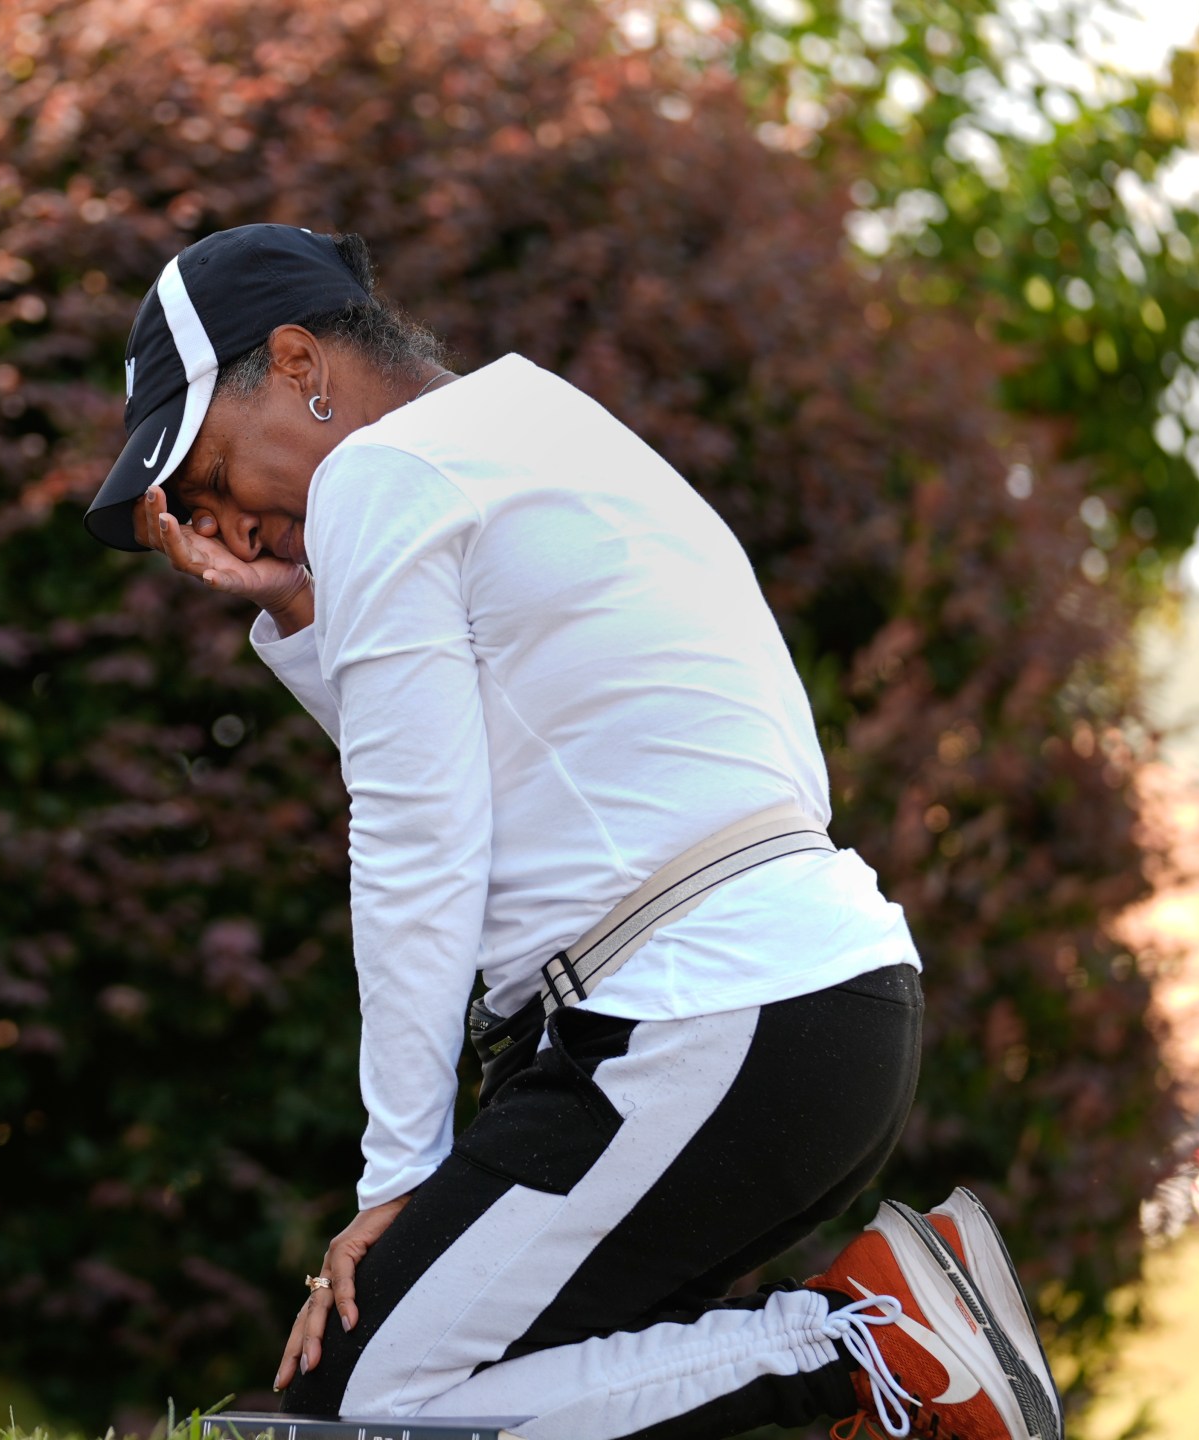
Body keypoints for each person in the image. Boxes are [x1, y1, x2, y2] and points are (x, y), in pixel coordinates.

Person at [81, 224, 1064, 1440]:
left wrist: (401, 1176)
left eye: (211, 470)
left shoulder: (378, 479)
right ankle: (855, 1345)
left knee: (365, 1404)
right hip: (797, 1007)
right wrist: (297, 602)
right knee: (470, 1395)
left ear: (297, 363)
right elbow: (482, 759)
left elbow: (418, 841)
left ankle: (859, 1344)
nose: (219, 525)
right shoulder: (540, 430)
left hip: (698, 1017)